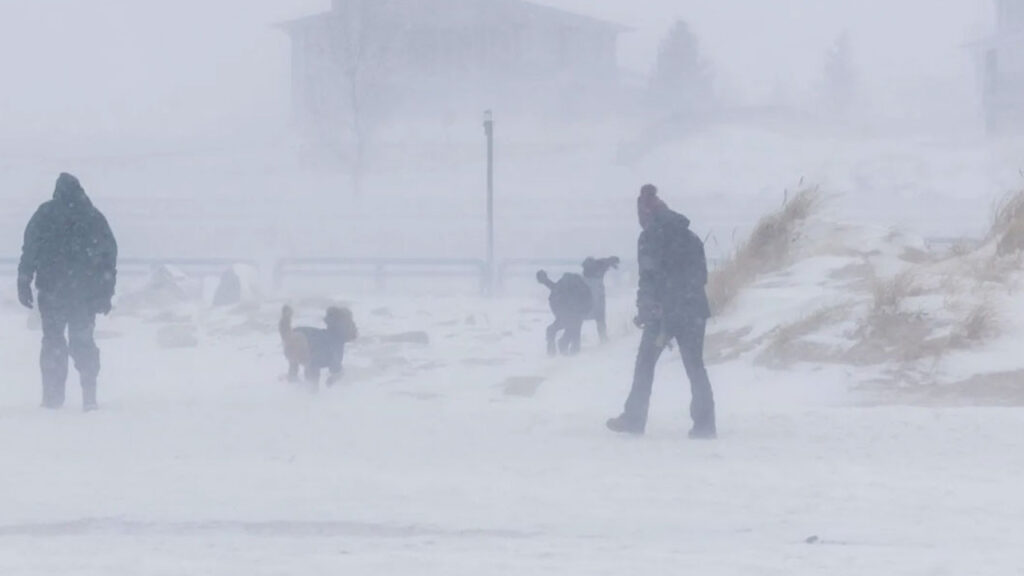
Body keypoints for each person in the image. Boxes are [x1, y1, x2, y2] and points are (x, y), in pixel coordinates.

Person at [607, 184, 716, 438]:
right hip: (693, 310)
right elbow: (701, 275)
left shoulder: (649, 237)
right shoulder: (689, 236)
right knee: (695, 366)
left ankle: (634, 419)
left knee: (645, 363)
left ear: (645, 215)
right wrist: (682, 298)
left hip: (662, 313)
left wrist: (647, 308)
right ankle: (705, 425)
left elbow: (648, 278)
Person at [18, 173, 118, 411]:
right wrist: (105, 292)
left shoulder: (46, 214)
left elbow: (30, 249)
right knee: (82, 341)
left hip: (54, 292)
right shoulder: (93, 218)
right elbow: (108, 259)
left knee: (53, 342)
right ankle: (89, 394)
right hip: (82, 295)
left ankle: (53, 398)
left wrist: (24, 279)